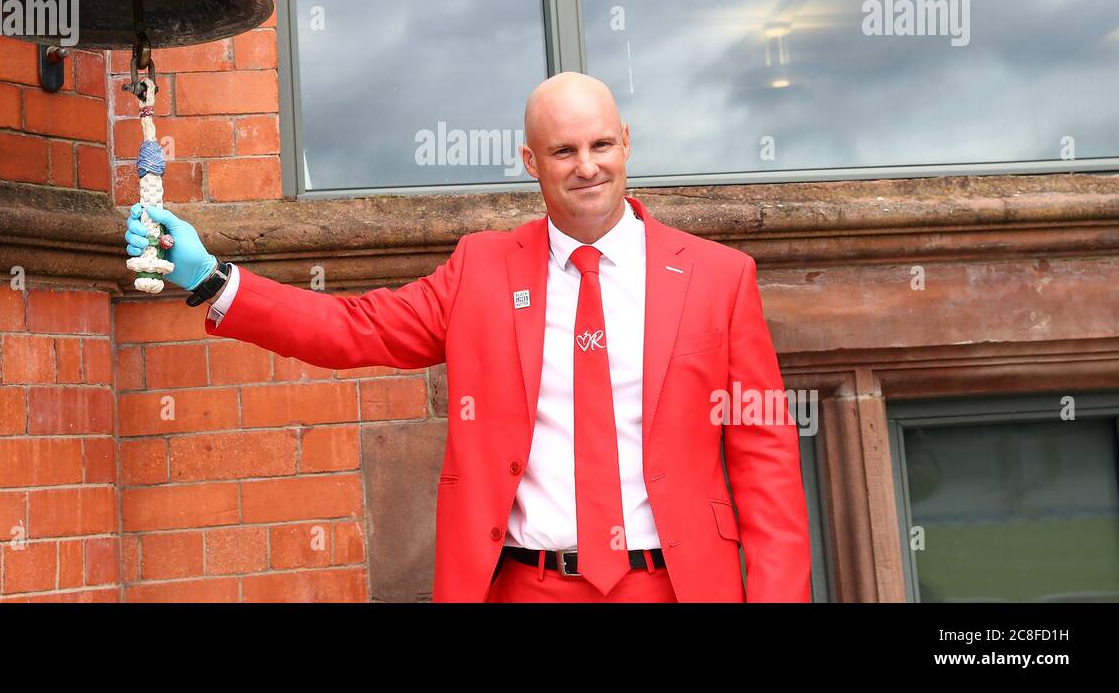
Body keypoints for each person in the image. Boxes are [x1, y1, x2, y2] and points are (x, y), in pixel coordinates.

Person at [124, 72, 812, 602]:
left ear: (626, 142)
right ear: (529, 160)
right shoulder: (481, 269)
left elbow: (768, 471)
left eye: (602, 144)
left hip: (673, 585)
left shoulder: (719, 279)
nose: (588, 166)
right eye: (563, 150)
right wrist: (211, 278)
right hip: (525, 586)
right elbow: (352, 329)